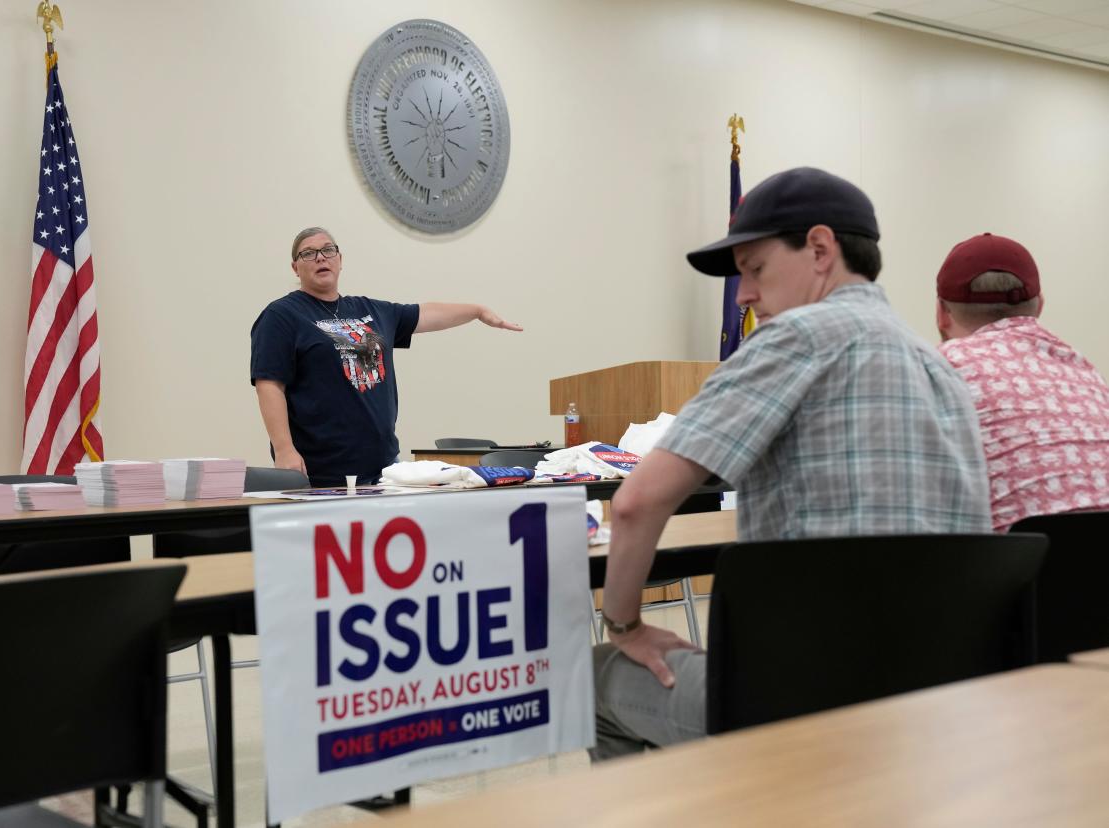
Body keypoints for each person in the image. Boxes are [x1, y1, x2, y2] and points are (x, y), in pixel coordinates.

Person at [591, 167, 991, 760]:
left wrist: (626, 628)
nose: (744, 295)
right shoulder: (940, 368)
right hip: (942, 712)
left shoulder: (799, 336)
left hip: (807, 710)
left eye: (754, 269)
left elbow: (635, 502)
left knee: (596, 674)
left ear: (821, 250)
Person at [250, 227, 521, 487]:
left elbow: (425, 313)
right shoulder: (282, 316)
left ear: (340, 260)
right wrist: (284, 449)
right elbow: (269, 384)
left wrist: (477, 311)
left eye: (328, 250)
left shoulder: (370, 310)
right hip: (322, 470)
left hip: (384, 467)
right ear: (295, 267)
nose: (320, 257)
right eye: (308, 253)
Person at [936, 233, 1109, 531]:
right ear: (1039, 306)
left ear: (942, 314)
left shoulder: (943, 367)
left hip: (1017, 569)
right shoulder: (1086, 371)